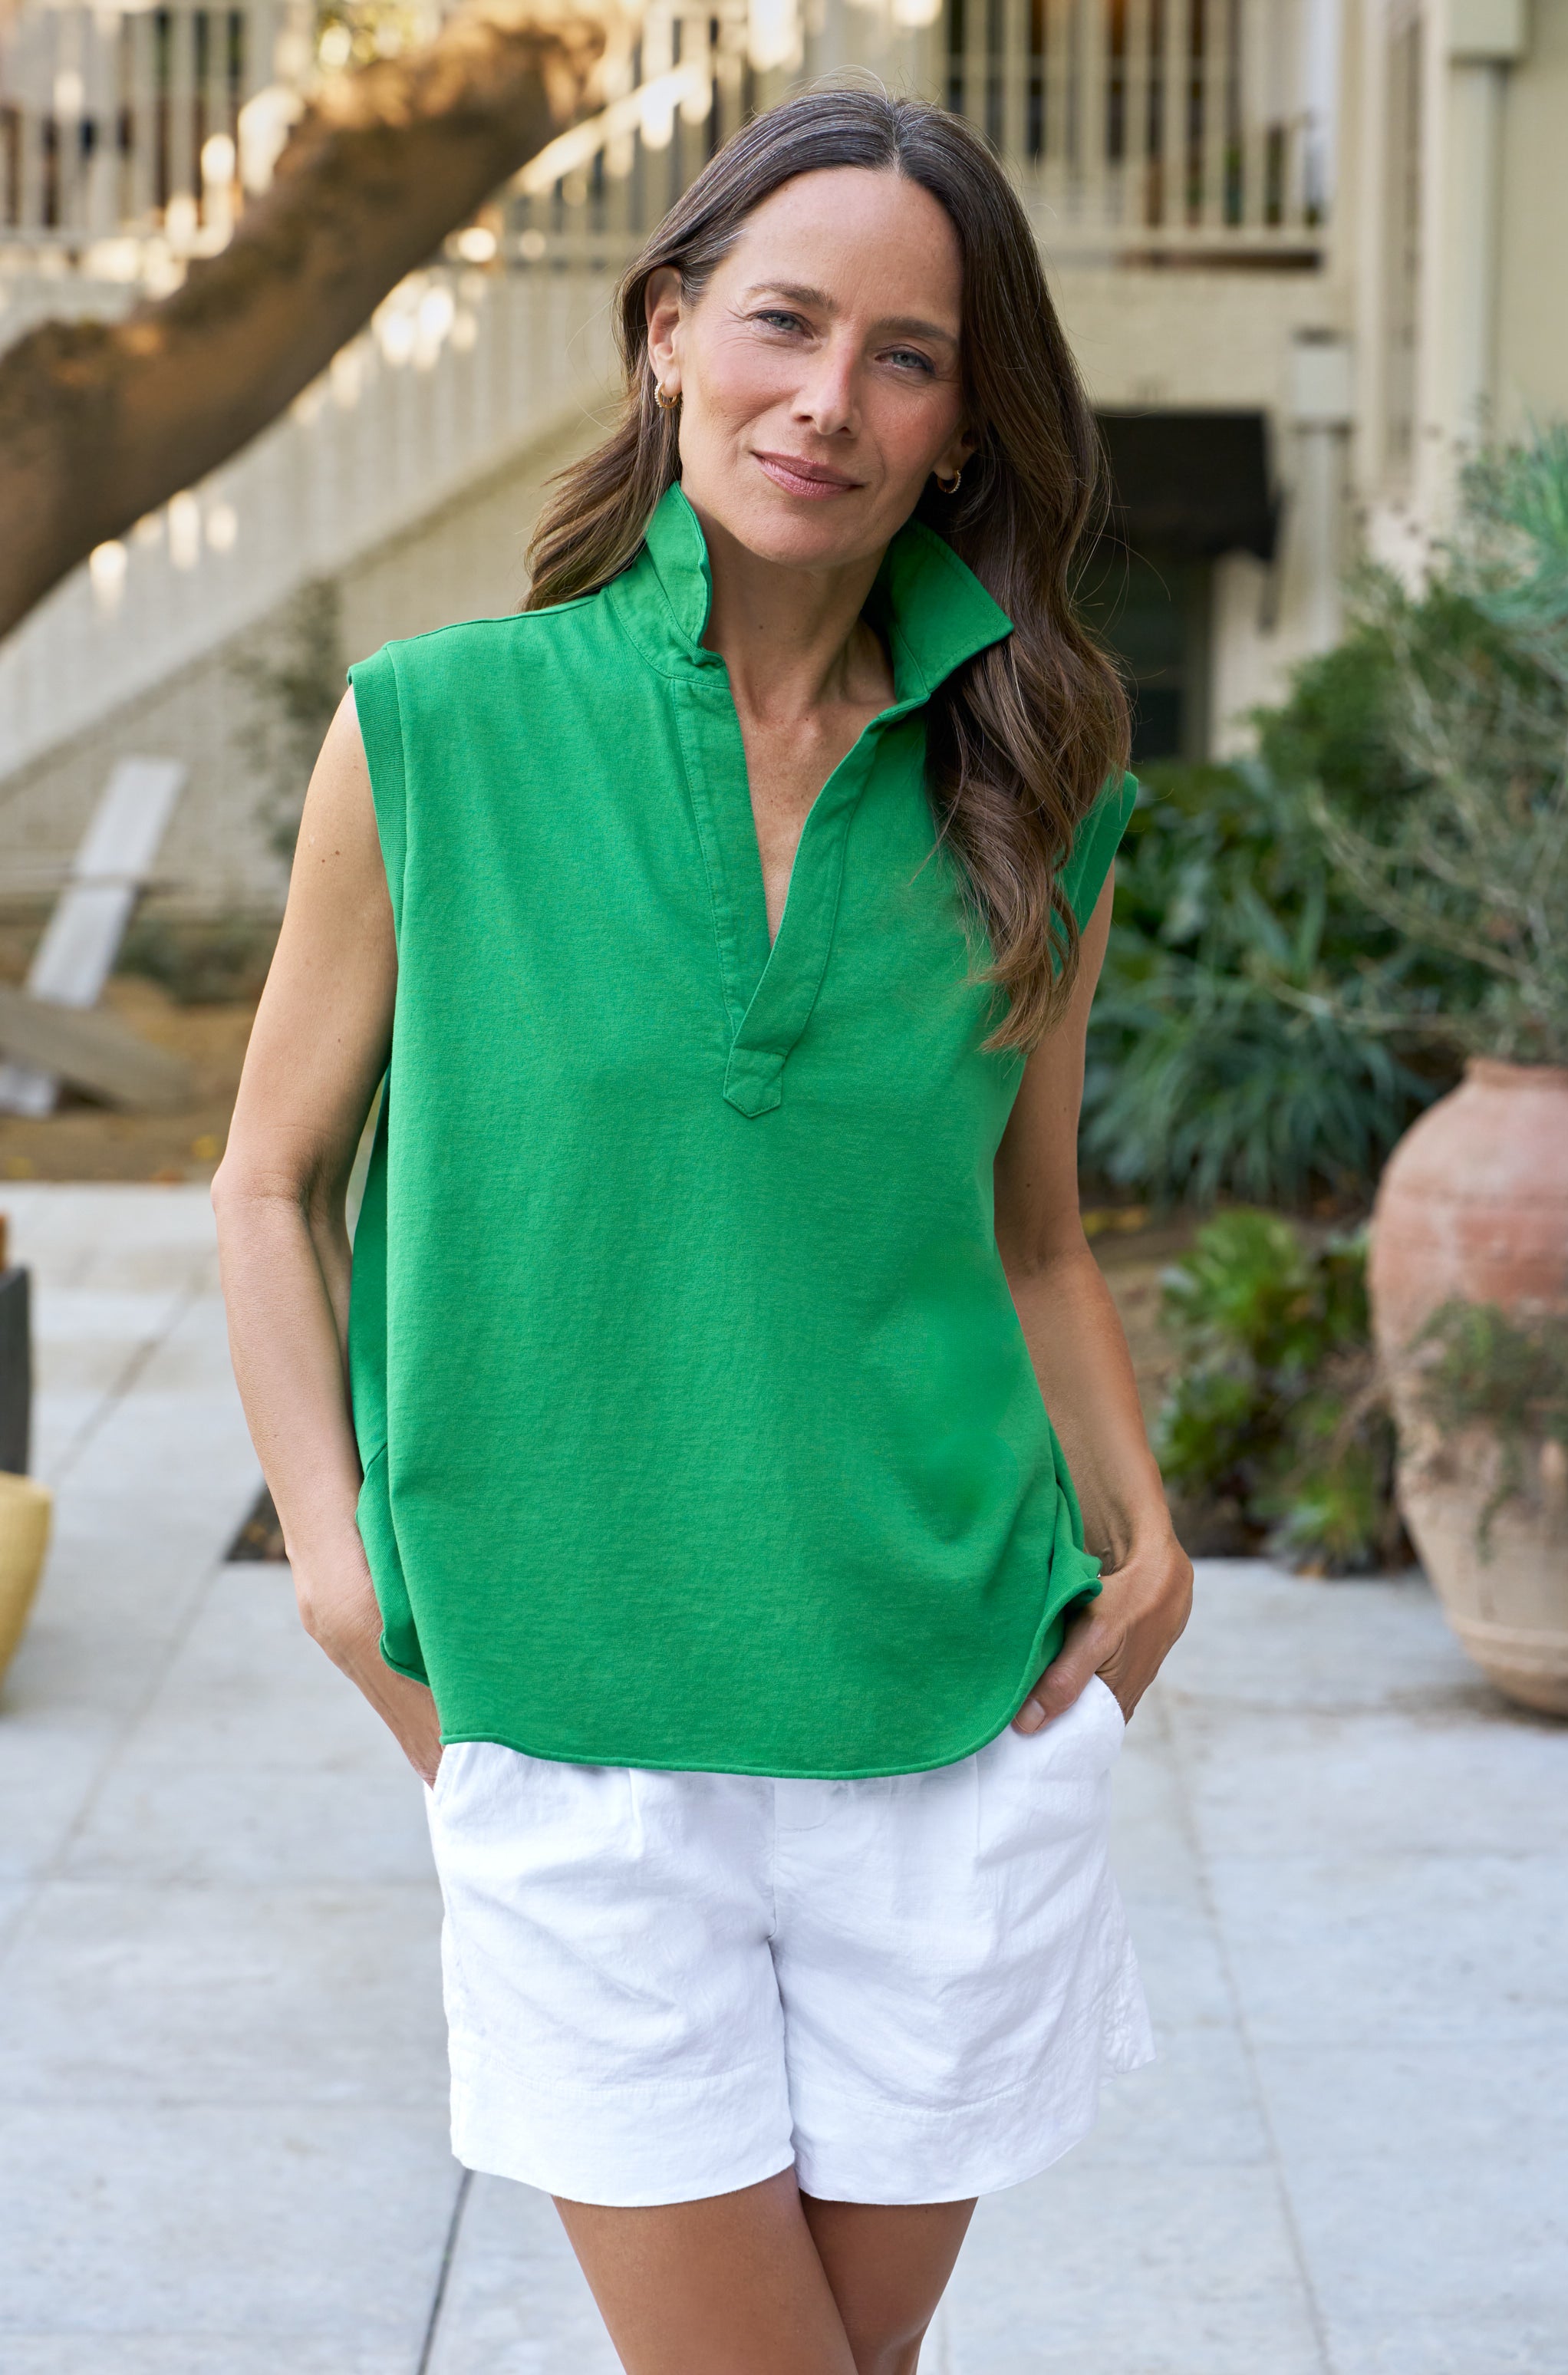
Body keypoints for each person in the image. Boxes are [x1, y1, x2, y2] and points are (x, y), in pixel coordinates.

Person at [213, 83, 1192, 2375]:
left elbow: (1033, 1236)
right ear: (665, 335)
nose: (825, 401)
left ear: (962, 428)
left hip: (950, 1717)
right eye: (776, 323)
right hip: (577, 1727)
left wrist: (1146, 1549)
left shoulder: (1037, 775)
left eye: (906, 357)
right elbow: (267, 1180)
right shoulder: (434, 734)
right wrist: (347, 1578)